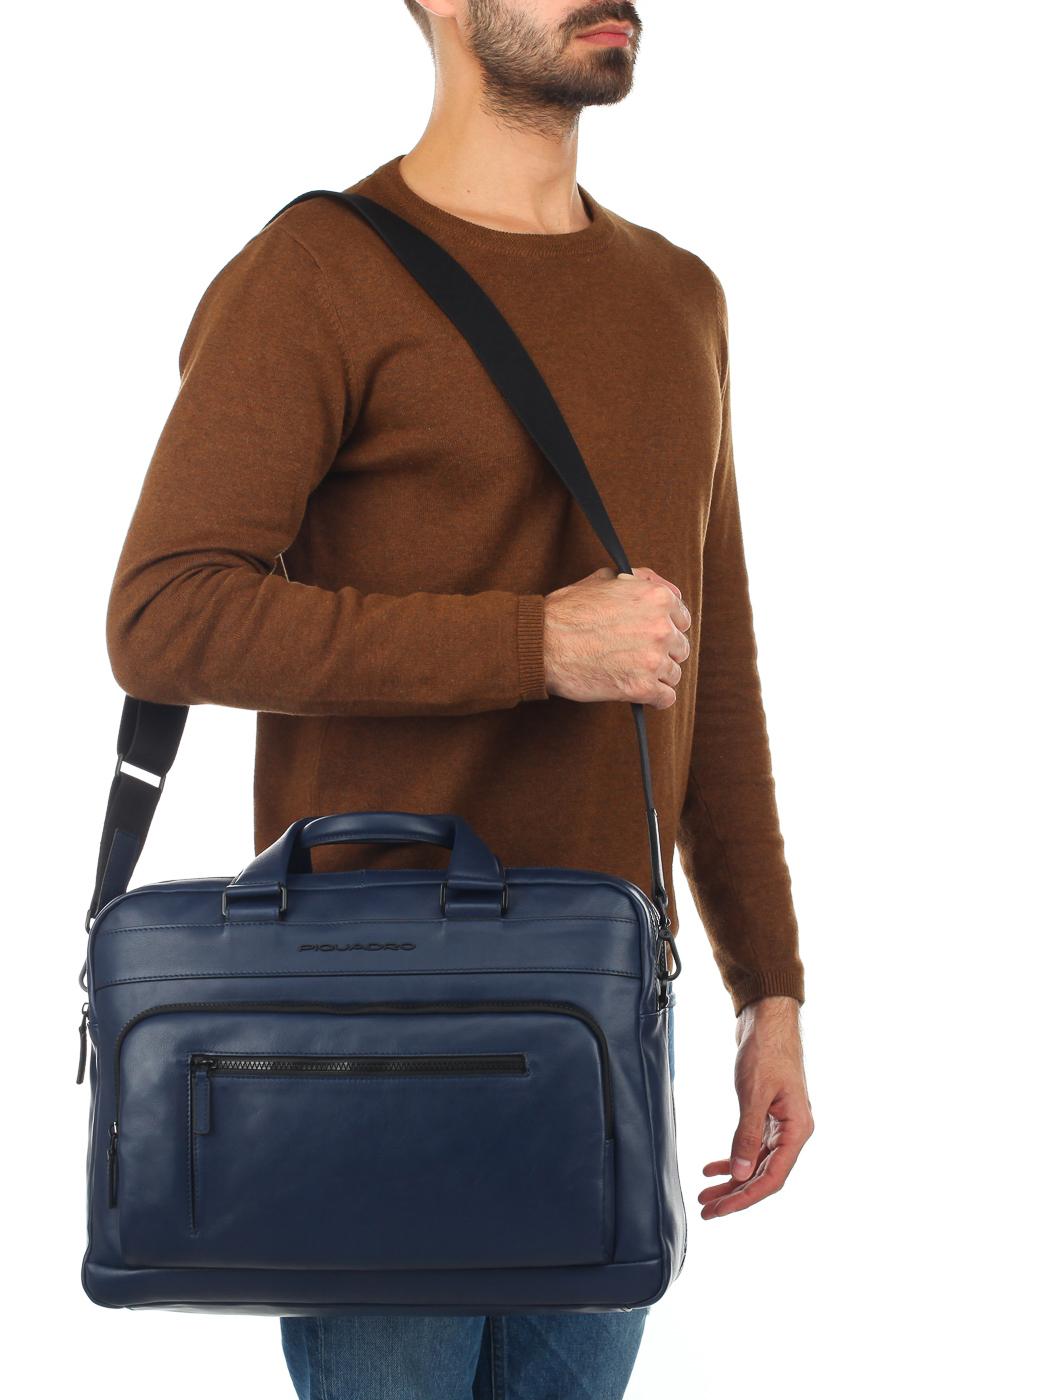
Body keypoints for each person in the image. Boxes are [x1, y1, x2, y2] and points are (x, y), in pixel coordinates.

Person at [104, 1, 814, 1395]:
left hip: (604, 1010)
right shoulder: (317, 271)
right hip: (372, 1014)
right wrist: (530, 645)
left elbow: (707, 663)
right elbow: (164, 614)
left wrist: (768, 988)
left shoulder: (679, 297)